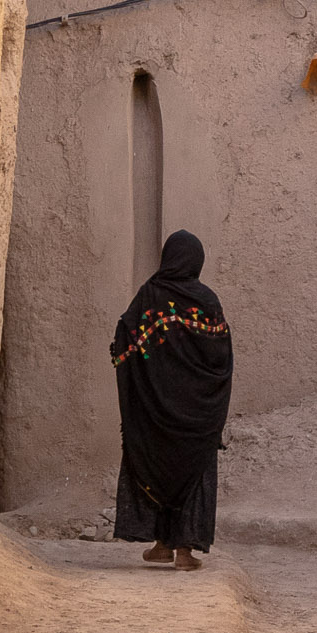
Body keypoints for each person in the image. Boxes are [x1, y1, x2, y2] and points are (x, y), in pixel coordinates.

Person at [111, 230, 233, 569]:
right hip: (198, 413)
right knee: (192, 473)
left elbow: (127, 337)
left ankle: (162, 543)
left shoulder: (150, 295)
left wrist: (152, 380)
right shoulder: (207, 301)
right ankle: (179, 551)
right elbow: (221, 356)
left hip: (156, 413)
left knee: (159, 470)